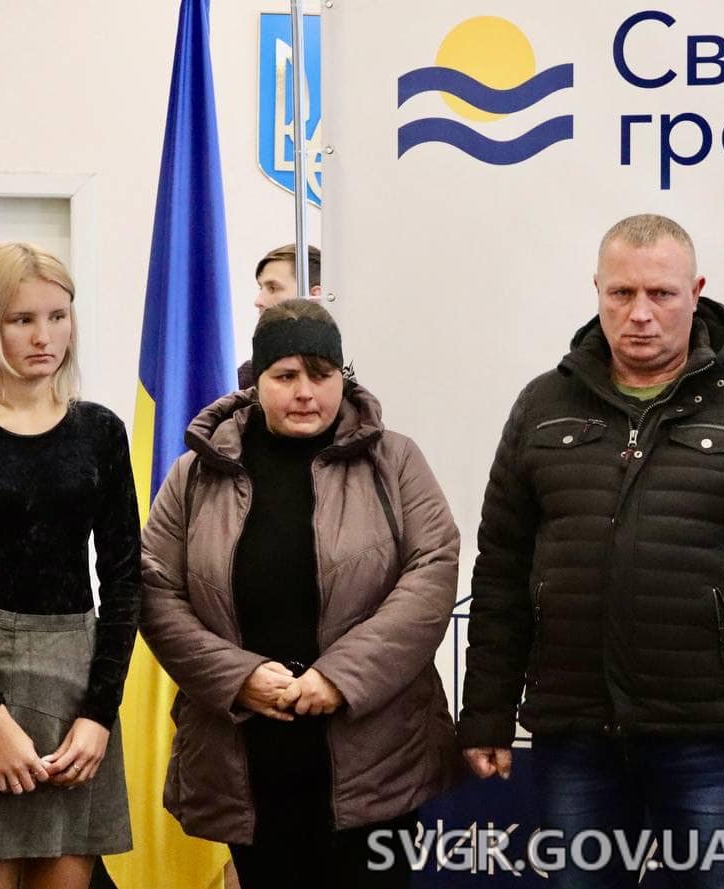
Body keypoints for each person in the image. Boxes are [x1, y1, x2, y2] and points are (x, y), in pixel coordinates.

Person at [457, 214, 724, 887]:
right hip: (574, 734)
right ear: (597, 291)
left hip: (709, 735)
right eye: (621, 293)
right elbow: (501, 573)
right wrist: (486, 709)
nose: (640, 314)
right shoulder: (541, 406)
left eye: (661, 294)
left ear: (696, 292)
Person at [140, 298, 461, 889]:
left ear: (343, 376)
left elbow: (432, 572)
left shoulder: (395, 461)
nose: (306, 392)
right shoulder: (195, 474)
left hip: (376, 757)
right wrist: (238, 677)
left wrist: (340, 678)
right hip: (248, 760)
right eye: (285, 376)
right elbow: (155, 590)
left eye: (322, 374)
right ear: (256, 381)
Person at [0, 243, 139, 889]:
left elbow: (125, 580)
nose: (45, 336)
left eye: (58, 316)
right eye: (22, 319)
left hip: (77, 684)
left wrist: (99, 712)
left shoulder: (100, 431)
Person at [239, 243, 322, 388]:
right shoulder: (247, 380)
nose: (258, 301)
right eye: (261, 288)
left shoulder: (350, 373)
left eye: (273, 288)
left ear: (314, 297)